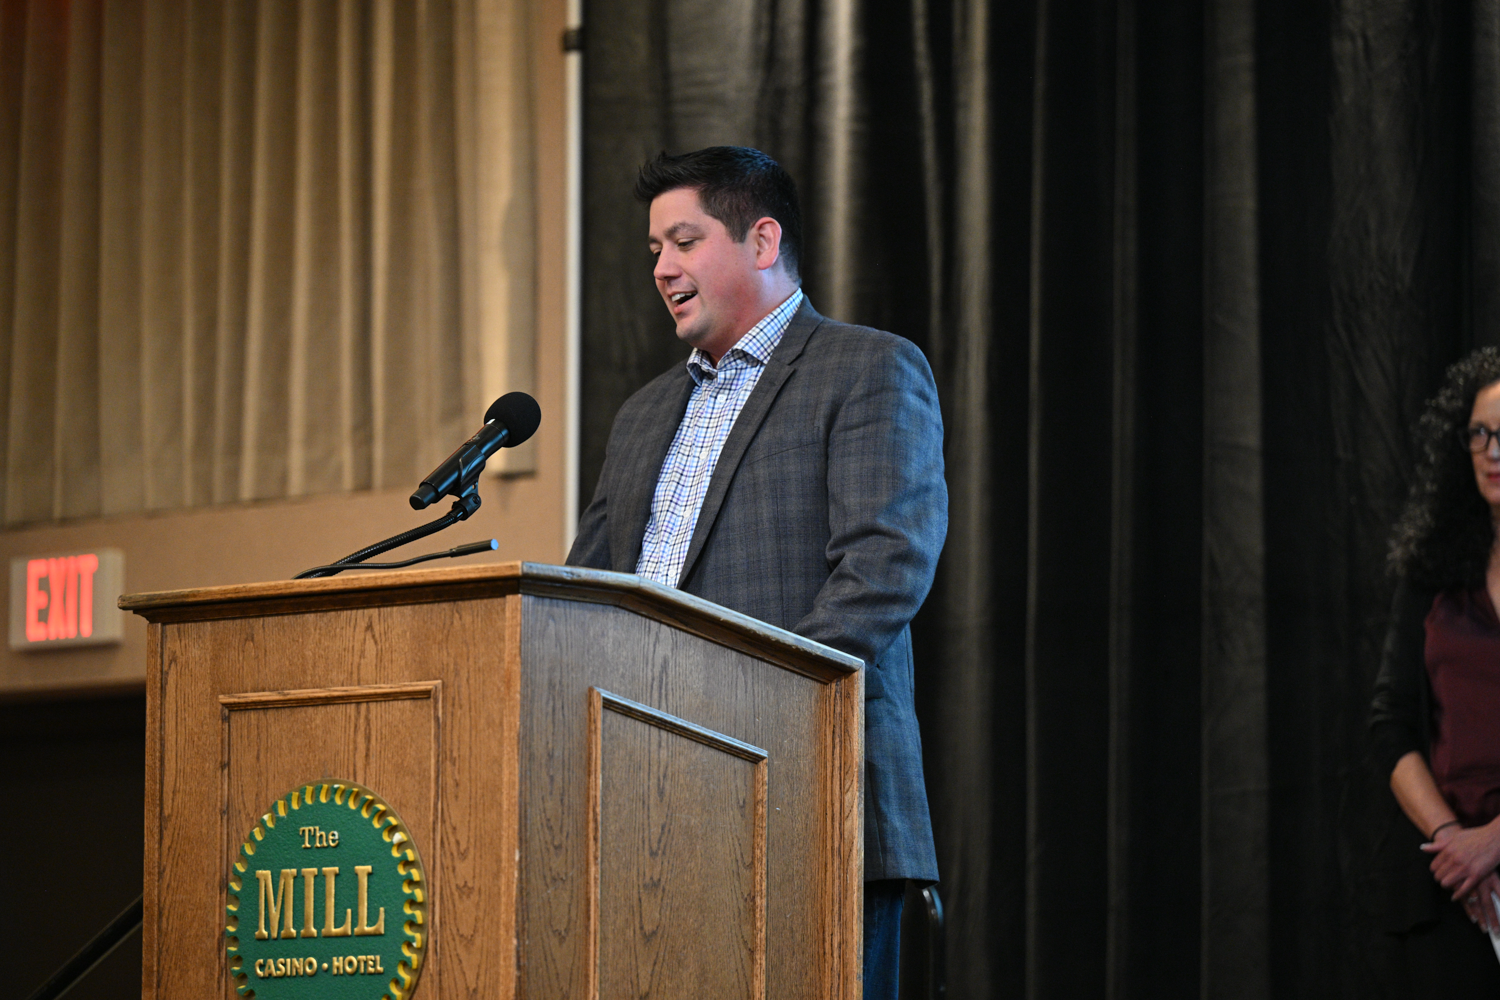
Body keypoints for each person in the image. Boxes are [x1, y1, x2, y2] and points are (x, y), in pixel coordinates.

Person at [567, 146, 947, 998]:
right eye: (654, 250)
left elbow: (883, 569)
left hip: (814, 804)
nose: (662, 268)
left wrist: (736, 715)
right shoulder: (642, 415)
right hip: (650, 817)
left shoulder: (868, 369)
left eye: (684, 242)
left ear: (763, 240)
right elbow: (588, 601)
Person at [1372, 347, 1500, 996]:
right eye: (1479, 433)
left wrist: (1494, 843)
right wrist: (1453, 841)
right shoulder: (1430, 574)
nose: (1493, 452)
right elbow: (1390, 724)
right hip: (1446, 887)